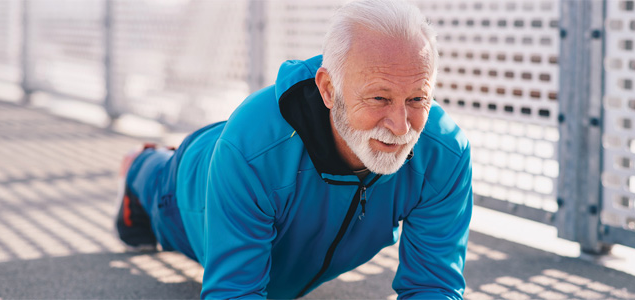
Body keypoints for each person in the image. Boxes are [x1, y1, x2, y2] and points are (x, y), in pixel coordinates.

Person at [115, 0, 473, 298]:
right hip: (190, 184)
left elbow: (434, 285)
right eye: (379, 97)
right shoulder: (251, 152)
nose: (400, 125)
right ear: (329, 89)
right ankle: (140, 164)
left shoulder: (445, 154)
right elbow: (234, 293)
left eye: (417, 98)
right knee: (155, 181)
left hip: (253, 164)